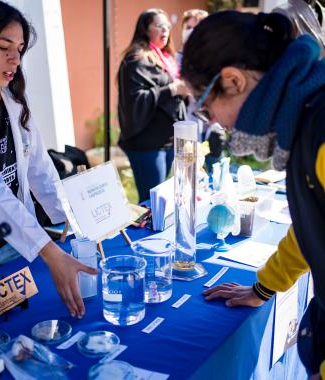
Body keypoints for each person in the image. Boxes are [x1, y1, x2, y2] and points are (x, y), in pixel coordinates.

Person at [181, 10, 325, 377]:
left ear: (231, 81)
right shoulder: (307, 118)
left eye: (204, 105)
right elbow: (316, 224)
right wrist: (265, 286)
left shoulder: (319, 128)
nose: (213, 122)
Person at [0, 0, 98, 319]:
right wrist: (47, 250)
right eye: (3, 47)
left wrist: (77, 219)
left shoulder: (13, 101)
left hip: (15, 248)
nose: (15, 58)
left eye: (20, 48)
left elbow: (41, 172)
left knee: (27, 331)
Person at [117, 8, 189, 203]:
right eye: (159, 26)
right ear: (145, 29)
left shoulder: (166, 58)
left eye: (167, 26)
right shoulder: (136, 59)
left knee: (161, 201)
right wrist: (172, 89)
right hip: (146, 144)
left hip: (166, 141)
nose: (165, 31)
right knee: (152, 203)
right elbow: (136, 100)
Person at [176, 8, 226, 173]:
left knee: (215, 172)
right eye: (188, 27)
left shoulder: (217, 60)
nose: (192, 32)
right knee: (188, 173)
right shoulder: (175, 59)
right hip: (188, 128)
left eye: (197, 28)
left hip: (212, 127)